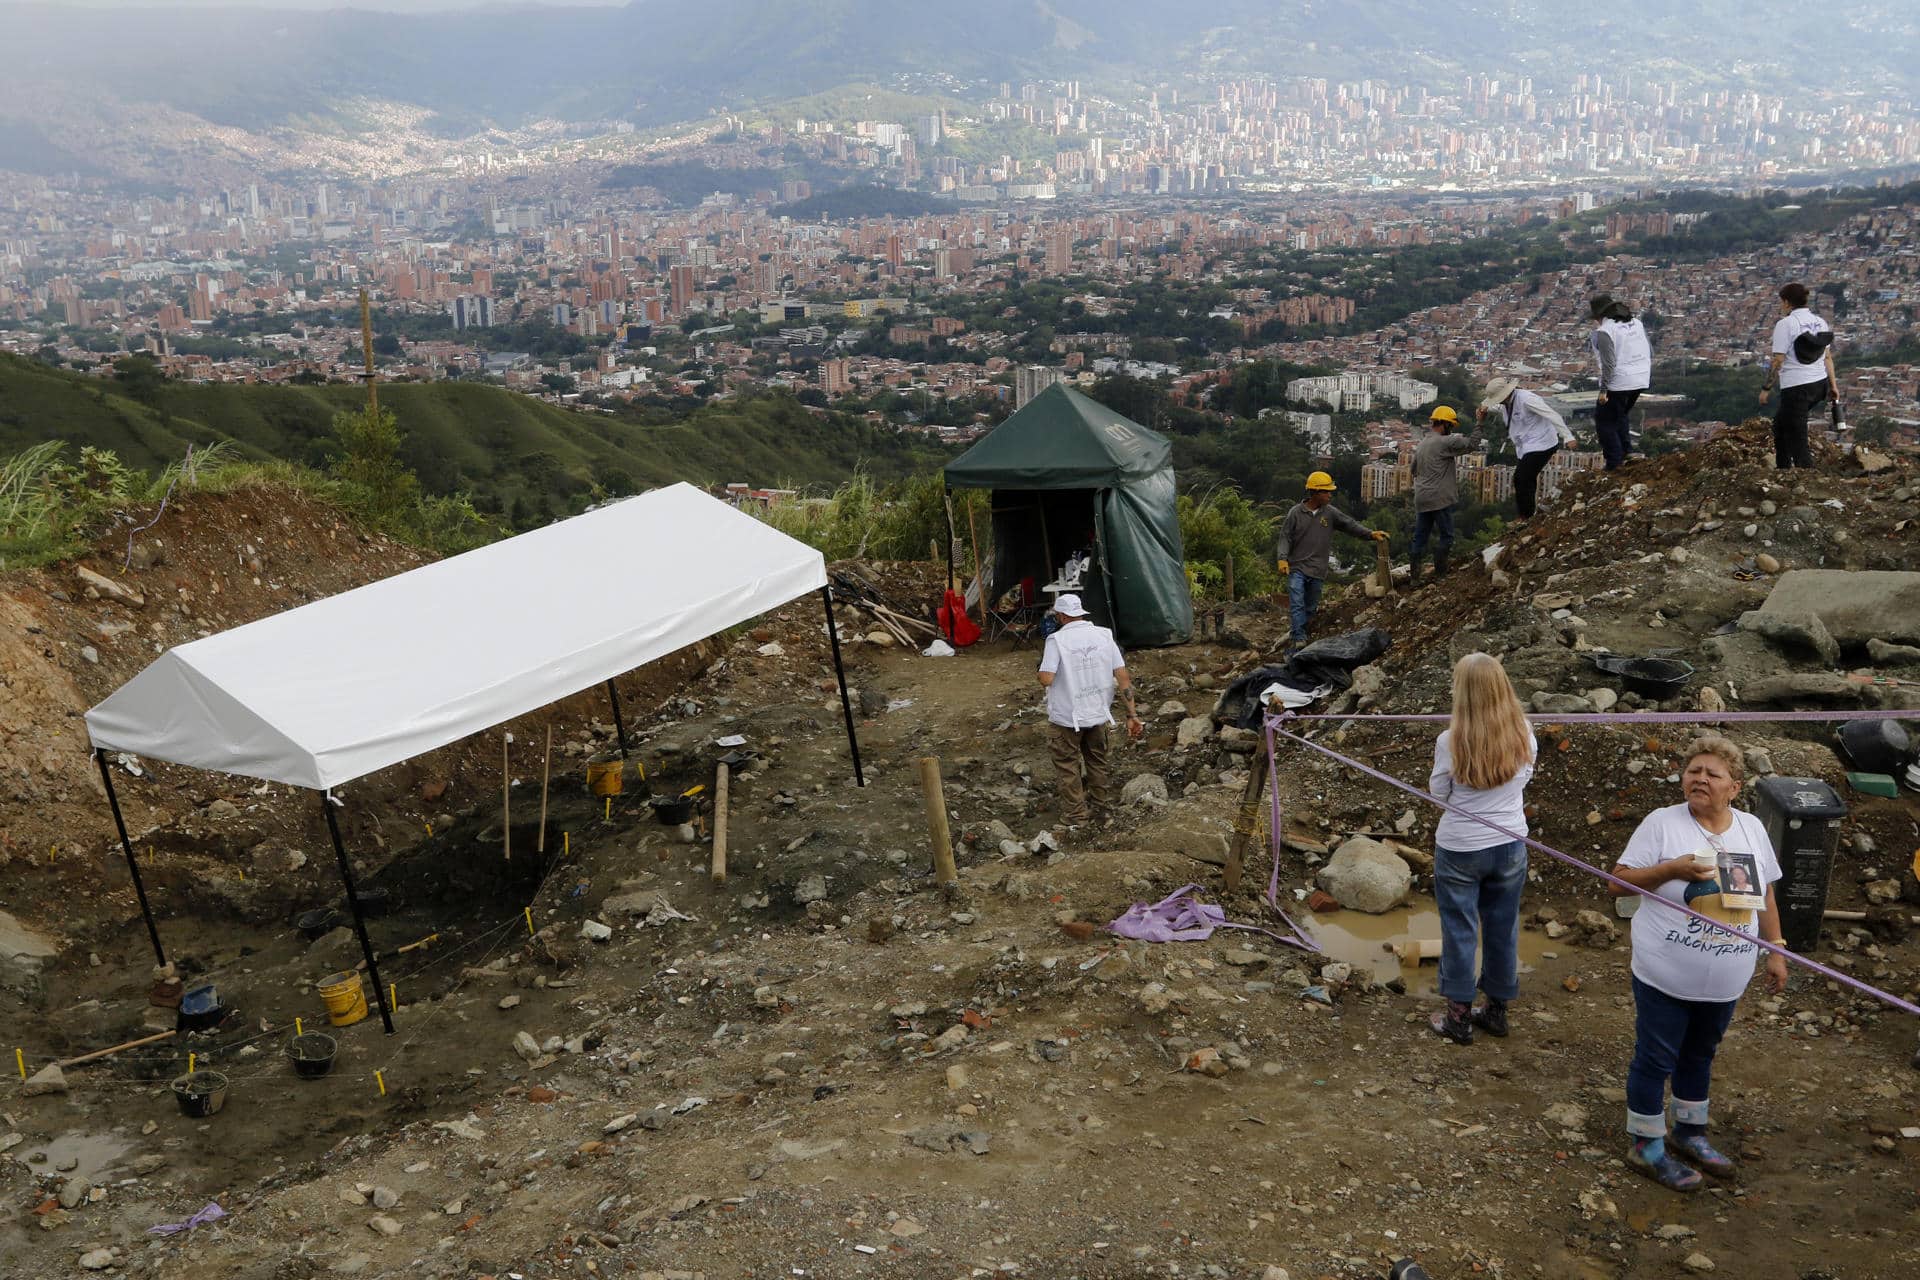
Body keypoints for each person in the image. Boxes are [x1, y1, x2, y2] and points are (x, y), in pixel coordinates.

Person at [1610, 736, 1788, 1191]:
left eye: (1712, 773)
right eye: (1693, 770)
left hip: (1727, 977)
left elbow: (1764, 891)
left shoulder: (1750, 827)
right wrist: (1670, 870)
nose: (1700, 778)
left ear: (1735, 786)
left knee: (1700, 1054)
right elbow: (1618, 884)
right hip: (1664, 974)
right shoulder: (1661, 824)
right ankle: (1645, 1146)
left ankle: (1690, 1133)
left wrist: (1776, 947)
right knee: (1655, 1058)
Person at [1427, 653, 1536, 1045]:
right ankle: (1496, 1010)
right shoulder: (1524, 730)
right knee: (1502, 926)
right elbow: (1526, 777)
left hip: (1460, 848)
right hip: (1510, 843)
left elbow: (1439, 793)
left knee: (1460, 929)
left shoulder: (1450, 739)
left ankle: (1458, 1016)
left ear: (1464, 694)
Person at [1036, 593, 1140, 826]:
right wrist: (1132, 714)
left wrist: (1039, 670)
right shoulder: (1104, 635)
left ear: (1062, 616)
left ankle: (1076, 816)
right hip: (1097, 713)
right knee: (1097, 762)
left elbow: (1047, 679)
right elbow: (1123, 677)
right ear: (1081, 613)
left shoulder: (1056, 641)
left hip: (1067, 718)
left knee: (1068, 766)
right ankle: (1102, 809)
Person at [1273, 471, 1389, 650]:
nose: (1330, 495)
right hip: (1297, 568)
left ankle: (1301, 631)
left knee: (1310, 607)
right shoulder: (1295, 513)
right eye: (1326, 492)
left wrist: (1370, 534)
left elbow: (1350, 525)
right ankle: (1298, 639)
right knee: (1297, 603)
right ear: (1315, 492)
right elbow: (1285, 538)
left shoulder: (1330, 513)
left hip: (1318, 570)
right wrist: (1282, 559)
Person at [1758, 282, 1838, 470]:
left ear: (1786, 302)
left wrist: (1766, 389)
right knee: (1780, 425)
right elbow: (1827, 357)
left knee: (1796, 434)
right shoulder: (1820, 322)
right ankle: (1783, 467)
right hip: (1819, 384)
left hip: (1797, 388)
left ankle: (1807, 477)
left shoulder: (1786, 324)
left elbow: (1778, 361)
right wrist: (1833, 386)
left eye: (1781, 302)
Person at [1478, 378, 1576, 522]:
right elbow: (1497, 408)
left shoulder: (1527, 399)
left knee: (1521, 478)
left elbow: (1552, 415)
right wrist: (1485, 407)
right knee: (1525, 479)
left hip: (1543, 443)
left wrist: (1568, 436)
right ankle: (1528, 514)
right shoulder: (1507, 402)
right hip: (1526, 446)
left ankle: (1526, 516)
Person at [1410, 405, 1478, 586]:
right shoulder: (1445, 442)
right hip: (1439, 498)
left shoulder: (1422, 443)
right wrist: (1480, 422)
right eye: (1451, 426)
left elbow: (1413, 470)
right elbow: (1472, 444)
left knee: (1420, 536)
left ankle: (1415, 578)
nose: (1451, 430)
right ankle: (1440, 574)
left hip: (1421, 498)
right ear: (1445, 425)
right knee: (1447, 535)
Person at [1588, 295, 1652, 471]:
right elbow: (1649, 350)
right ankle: (1627, 451)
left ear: (1600, 316)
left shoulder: (1605, 331)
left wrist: (1603, 390)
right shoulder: (1637, 324)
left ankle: (1614, 462)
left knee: (1604, 422)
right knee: (1620, 414)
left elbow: (1609, 364)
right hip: (1641, 378)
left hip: (1619, 381)